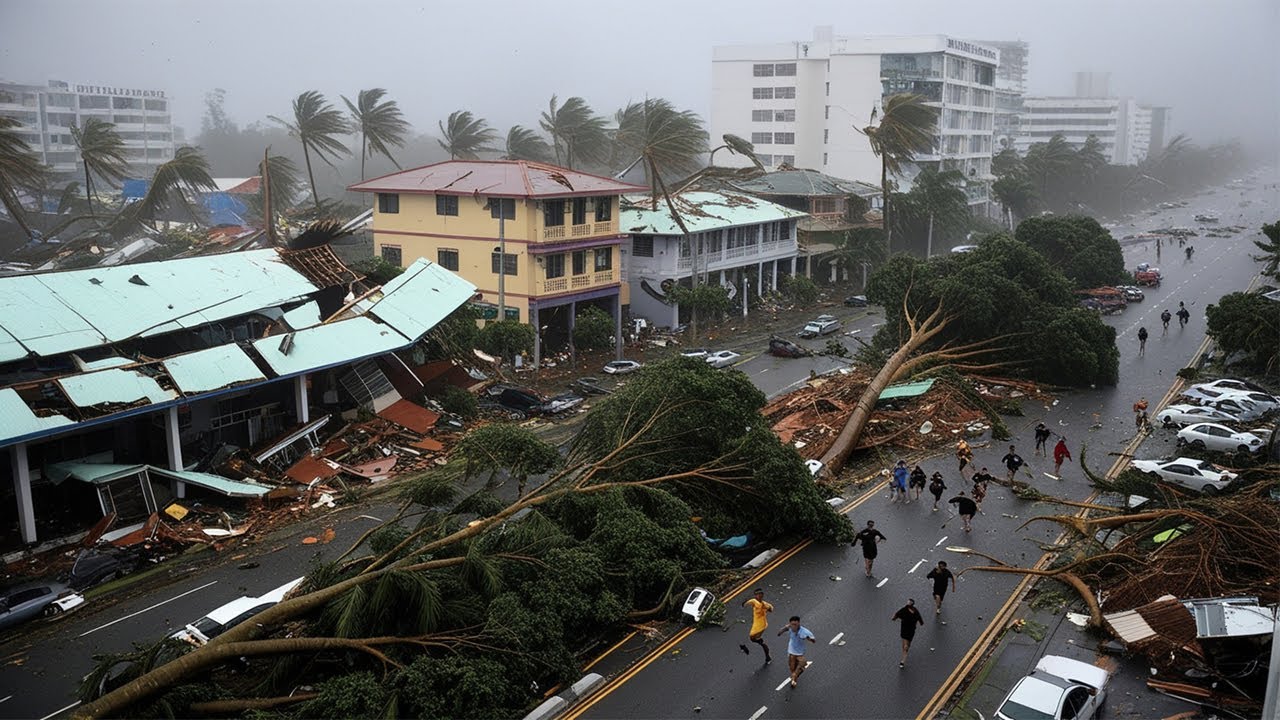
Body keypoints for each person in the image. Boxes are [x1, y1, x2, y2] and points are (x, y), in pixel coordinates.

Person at [777, 616, 815, 688]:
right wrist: (785, 628)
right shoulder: (789, 628)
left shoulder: (805, 632)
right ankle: (794, 678)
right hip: (791, 651)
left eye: (795, 625)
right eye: (792, 624)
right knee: (792, 668)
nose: (793, 627)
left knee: (803, 662)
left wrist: (807, 638)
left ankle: (794, 677)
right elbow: (778, 633)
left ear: (799, 624)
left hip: (800, 652)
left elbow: (814, 641)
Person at [739, 588, 773, 664]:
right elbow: (748, 603)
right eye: (757, 595)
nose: (758, 596)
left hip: (761, 624)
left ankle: (767, 655)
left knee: (752, 636)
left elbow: (771, 609)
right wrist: (744, 604)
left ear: (762, 595)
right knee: (753, 638)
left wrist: (767, 608)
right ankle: (763, 648)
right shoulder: (754, 601)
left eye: (760, 594)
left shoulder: (765, 604)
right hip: (756, 622)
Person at [891, 599, 924, 668]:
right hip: (908, 630)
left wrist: (893, 618)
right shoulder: (910, 610)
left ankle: (903, 658)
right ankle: (903, 660)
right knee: (906, 644)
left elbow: (896, 614)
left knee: (906, 645)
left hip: (908, 630)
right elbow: (921, 621)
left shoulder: (909, 610)